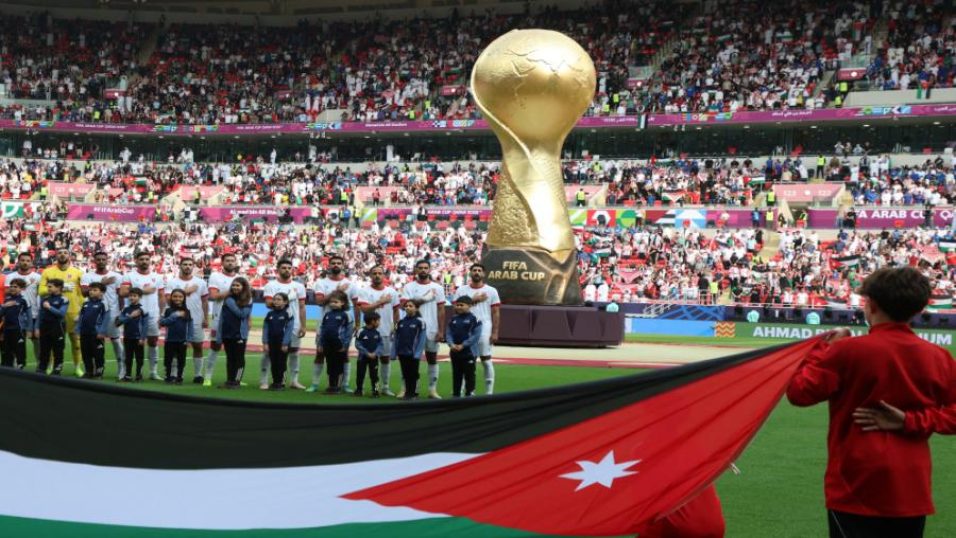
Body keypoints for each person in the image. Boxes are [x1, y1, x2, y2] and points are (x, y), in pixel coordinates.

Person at [787, 267, 956, 538]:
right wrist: (911, 421)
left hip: (855, 486)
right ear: (918, 309)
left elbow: (799, 393)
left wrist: (822, 349)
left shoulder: (847, 351)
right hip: (911, 488)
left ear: (872, 305)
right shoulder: (939, 357)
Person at [310, 255, 360, 392]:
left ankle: (344, 384)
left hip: (344, 325)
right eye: (333, 263)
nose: (336, 265)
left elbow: (356, 305)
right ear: (329, 265)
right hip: (325, 324)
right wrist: (337, 291)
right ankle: (315, 384)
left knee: (344, 353)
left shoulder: (351, 284)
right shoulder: (321, 283)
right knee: (320, 353)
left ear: (343, 265)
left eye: (339, 263)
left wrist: (357, 324)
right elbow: (320, 302)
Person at [452, 264, 501, 394]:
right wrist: (473, 300)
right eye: (474, 270)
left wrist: (495, 332)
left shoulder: (491, 291)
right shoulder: (461, 290)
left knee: (486, 358)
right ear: (470, 273)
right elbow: (455, 309)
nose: (477, 272)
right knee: (465, 360)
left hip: (484, 327)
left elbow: (496, 312)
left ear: (483, 274)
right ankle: (465, 390)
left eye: (479, 270)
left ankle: (489, 392)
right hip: (464, 327)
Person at [400, 259, 446, 399]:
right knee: (410, 360)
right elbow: (405, 306)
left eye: (426, 268)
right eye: (420, 268)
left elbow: (441, 310)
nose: (423, 270)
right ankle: (408, 388)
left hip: (431, 327)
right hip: (412, 328)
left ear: (429, 269)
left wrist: (441, 330)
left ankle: (432, 389)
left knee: (432, 358)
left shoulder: (437, 288)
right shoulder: (409, 287)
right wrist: (426, 298)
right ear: (416, 269)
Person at [120, 252, 165, 380]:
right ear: (136, 261)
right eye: (141, 259)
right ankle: (125, 372)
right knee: (130, 343)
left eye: (146, 259)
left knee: (153, 341)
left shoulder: (158, 277)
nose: (144, 261)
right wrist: (143, 291)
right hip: (133, 315)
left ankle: (153, 372)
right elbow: (122, 292)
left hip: (152, 314)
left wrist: (161, 314)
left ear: (150, 261)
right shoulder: (129, 275)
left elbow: (161, 297)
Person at [39, 248, 85, 376]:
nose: (62, 255)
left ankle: (77, 367)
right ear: (56, 255)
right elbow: (41, 291)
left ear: (69, 255)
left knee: (76, 342)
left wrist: (82, 310)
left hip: (73, 312)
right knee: (53, 342)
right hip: (53, 314)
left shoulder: (78, 272)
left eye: (65, 253)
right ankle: (51, 366)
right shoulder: (48, 272)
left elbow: (81, 294)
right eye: (60, 253)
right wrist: (62, 288)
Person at [262, 259, 306, 390]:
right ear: (278, 269)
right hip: (276, 323)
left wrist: (303, 325)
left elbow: (302, 307)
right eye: (284, 267)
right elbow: (268, 304)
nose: (287, 270)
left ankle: (294, 381)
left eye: (289, 268)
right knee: (269, 352)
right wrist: (288, 297)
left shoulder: (299, 286)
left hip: (294, 323)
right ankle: (264, 380)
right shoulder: (271, 285)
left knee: (294, 352)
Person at [82, 252, 125, 380]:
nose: (101, 261)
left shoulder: (117, 276)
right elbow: (84, 292)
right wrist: (102, 283)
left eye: (103, 259)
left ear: (107, 260)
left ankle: (122, 369)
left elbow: (120, 296)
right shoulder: (87, 276)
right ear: (94, 261)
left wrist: (121, 313)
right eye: (98, 259)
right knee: (94, 343)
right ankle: (95, 370)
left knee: (116, 341)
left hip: (112, 313)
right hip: (94, 315)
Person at [164, 258, 209, 383]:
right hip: (177, 320)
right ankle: (174, 374)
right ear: (180, 266)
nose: (187, 266)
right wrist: (186, 292)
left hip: (196, 318)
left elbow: (205, 302)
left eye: (190, 264)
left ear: (193, 267)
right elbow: (168, 300)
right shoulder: (172, 282)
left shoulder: (200, 283)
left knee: (198, 346)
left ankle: (198, 375)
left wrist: (206, 318)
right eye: (185, 264)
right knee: (175, 348)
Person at [203, 253, 240, 386]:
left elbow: (245, 298)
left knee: (235, 350)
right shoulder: (215, 276)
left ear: (236, 263)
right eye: (227, 260)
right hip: (219, 318)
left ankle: (234, 378)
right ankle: (207, 377)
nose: (230, 263)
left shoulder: (241, 278)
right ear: (222, 263)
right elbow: (213, 296)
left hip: (236, 319)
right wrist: (232, 291)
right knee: (215, 346)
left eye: (232, 261)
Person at [217, 277, 252, 389]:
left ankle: (237, 381)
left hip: (239, 334)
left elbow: (242, 314)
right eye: (233, 285)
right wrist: (219, 335)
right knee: (230, 358)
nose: (235, 287)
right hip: (227, 333)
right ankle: (229, 380)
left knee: (239, 358)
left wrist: (230, 302)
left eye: (238, 285)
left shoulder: (247, 299)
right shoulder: (228, 299)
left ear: (243, 287)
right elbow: (222, 318)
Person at [317, 290, 353, 394]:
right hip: (327, 344)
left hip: (339, 345)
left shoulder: (346, 315)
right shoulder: (327, 314)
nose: (333, 304)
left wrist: (345, 345)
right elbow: (323, 330)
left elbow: (349, 332)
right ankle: (331, 386)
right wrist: (320, 344)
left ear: (343, 303)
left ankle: (337, 387)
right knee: (330, 365)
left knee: (339, 366)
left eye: (336, 302)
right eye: (331, 302)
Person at [445, 296, 481, 398]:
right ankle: (456, 395)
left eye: (462, 305)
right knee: (456, 374)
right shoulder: (453, 319)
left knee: (469, 375)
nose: (459, 307)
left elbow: (476, 336)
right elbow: (448, 333)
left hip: (469, 352)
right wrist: (451, 344)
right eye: (457, 305)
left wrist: (463, 345)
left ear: (469, 306)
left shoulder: (475, 319)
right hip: (454, 351)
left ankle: (469, 394)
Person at [392, 301, 427, 400]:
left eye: (410, 306)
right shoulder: (400, 322)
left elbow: (422, 339)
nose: (407, 307)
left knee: (413, 374)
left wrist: (417, 354)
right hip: (402, 352)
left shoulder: (420, 322)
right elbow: (396, 338)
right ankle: (407, 393)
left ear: (416, 308)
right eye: (406, 306)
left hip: (413, 353)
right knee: (405, 374)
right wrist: (394, 353)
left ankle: (413, 394)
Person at [75, 282, 110, 379]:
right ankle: (89, 372)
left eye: (95, 290)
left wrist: (102, 331)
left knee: (98, 354)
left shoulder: (103, 304)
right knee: (86, 353)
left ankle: (99, 372)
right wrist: (78, 329)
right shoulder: (85, 303)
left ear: (102, 292)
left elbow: (106, 318)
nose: (91, 292)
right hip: (84, 332)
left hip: (96, 334)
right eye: (90, 290)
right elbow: (81, 317)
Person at [12, 253, 41, 367]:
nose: (25, 262)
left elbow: (41, 296)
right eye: (23, 260)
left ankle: (40, 366)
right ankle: (17, 367)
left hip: (33, 314)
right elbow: (9, 293)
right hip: (16, 316)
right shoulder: (11, 277)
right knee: (17, 342)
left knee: (37, 342)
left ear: (31, 263)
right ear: (18, 261)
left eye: (28, 260)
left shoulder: (38, 277)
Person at [160, 289, 193, 384]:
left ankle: (179, 377)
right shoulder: (168, 310)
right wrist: (175, 315)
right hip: (169, 339)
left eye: (180, 297)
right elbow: (162, 322)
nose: (177, 298)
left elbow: (190, 326)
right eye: (175, 296)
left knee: (181, 359)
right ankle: (168, 376)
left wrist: (189, 339)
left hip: (182, 340)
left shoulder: (187, 311)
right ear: (171, 297)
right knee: (168, 359)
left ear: (184, 298)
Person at [36, 278, 69, 375]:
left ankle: (57, 368)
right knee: (44, 348)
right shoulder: (45, 299)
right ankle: (42, 368)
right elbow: (40, 314)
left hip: (57, 326)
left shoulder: (64, 299)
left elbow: (61, 313)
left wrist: (50, 307)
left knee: (58, 349)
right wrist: (37, 327)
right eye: (48, 286)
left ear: (58, 287)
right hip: (45, 326)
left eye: (50, 286)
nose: (48, 288)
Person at [262, 292, 294, 390]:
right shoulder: (270, 314)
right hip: (271, 342)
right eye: (275, 299)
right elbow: (265, 328)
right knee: (274, 362)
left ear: (285, 302)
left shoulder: (288, 314)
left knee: (281, 363)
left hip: (282, 343)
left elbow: (289, 330)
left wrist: (285, 343)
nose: (276, 301)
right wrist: (265, 342)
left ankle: (281, 383)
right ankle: (275, 382)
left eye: (279, 299)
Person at [115, 288, 148, 382]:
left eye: (134, 296)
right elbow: (118, 322)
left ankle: (139, 375)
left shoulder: (143, 309)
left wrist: (142, 338)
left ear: (140, 297)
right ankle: (128, 375)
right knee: (128, 357)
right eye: (130, 296)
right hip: (128, 337)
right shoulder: (126, 309)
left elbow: (145, 325)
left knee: (139, 358)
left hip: (138, 338)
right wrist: (130, 316)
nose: (132, 297)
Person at [0, 278, 31, 369]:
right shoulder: (7, 299)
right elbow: (1, 314)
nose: (12, 288)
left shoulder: (24, 300)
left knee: (19, 350)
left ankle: (20, 368)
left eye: (15, 287)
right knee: (6, 351)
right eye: (11, 286)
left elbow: (29, 315)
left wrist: (29, 329)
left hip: (18, 329)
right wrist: (4, 306)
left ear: (21, 288)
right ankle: (7, 369)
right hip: (6, 329)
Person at [354, 312, 383, 397]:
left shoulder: (377, 332)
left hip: (374, 358)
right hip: (362, 358)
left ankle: (376, 391)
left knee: (374, 376)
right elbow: (357, 344)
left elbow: (380, 344)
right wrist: (367, 353)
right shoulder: (361, 331)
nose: (379, 323)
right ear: (372, 321)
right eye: (378, 321)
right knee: (360, 374)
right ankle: (359, 390)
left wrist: (375, 353)